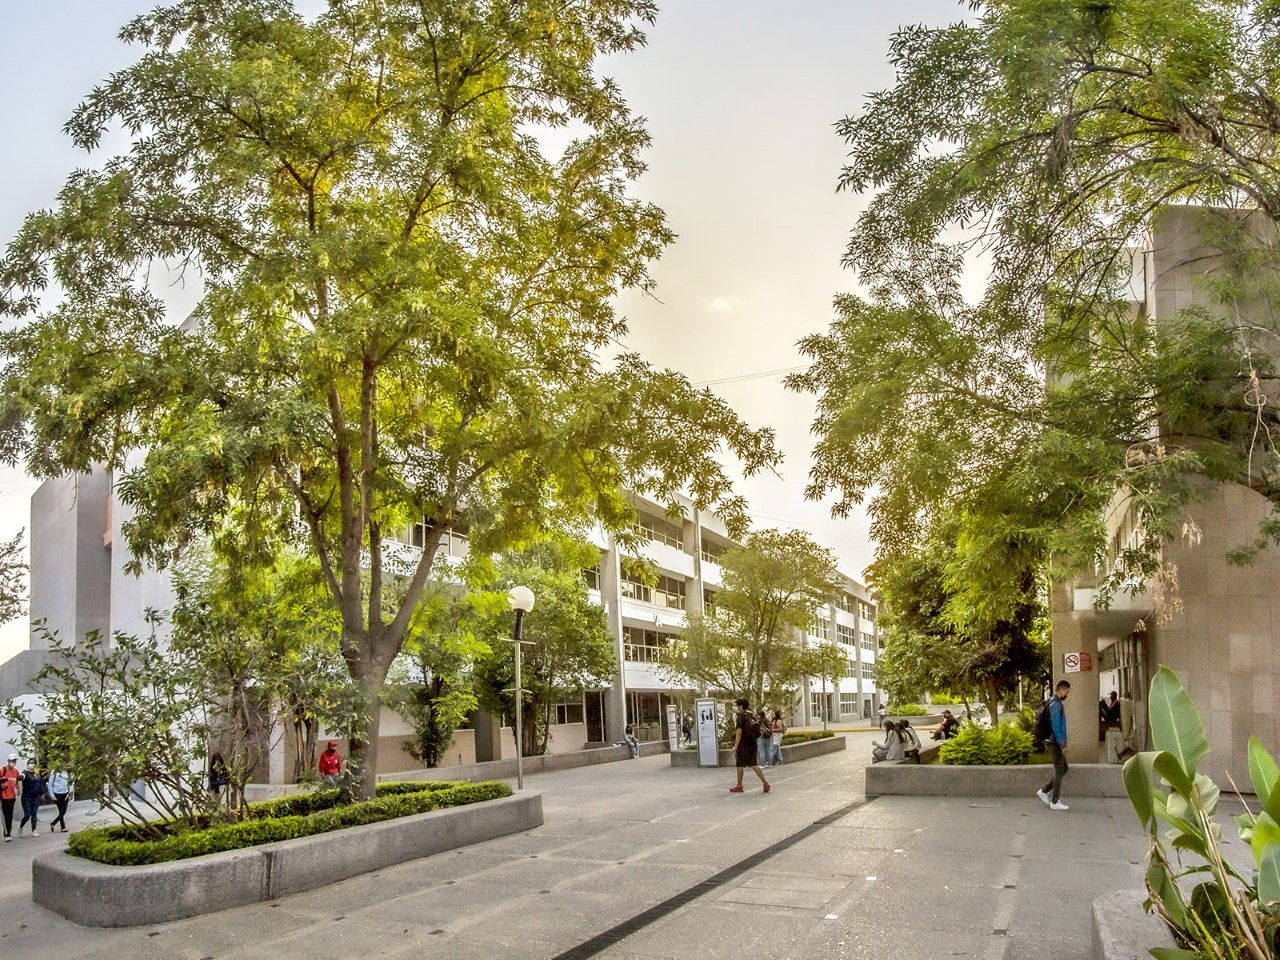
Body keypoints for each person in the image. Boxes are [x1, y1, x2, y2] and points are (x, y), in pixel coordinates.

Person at [1036, 680, 1072, 811]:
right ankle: (1055, 801)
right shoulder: (1055, 704)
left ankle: (1044, 791)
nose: (1067, 695)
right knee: (1059, 770)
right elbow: (1056, 726)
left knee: (1064, 768)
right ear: (1061, 690)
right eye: (1067, 692)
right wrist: (1062, 744)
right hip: (1054, 742)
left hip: (1053, 741)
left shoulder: (1053, 702)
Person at [729, 698, 770, 794]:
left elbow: (739, 732)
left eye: (737, 706)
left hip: (743, 744)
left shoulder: (741, 717)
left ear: (741, 706)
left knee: (740, 764)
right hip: (753, 743)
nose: (736, 708)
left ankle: (739, 786)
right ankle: (765, 783)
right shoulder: (751, 714)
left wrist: (735, 746)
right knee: (754, 764)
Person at [18, 760, 45, 837]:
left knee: (34, 814)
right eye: (29, 763)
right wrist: (18, 778)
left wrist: (42, 793)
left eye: (32, 763)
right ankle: (21, 827)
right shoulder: (25, 773)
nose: (31, 764)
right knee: (27, 814)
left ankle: (34, 830)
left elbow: (40, 784)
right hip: (26, 798)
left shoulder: (36, 774)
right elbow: (21, 777)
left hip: (35, 797)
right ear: (27, 764)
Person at [46, 767, 71, 833]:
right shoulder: (54, 771)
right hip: (57, 794)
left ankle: (53, 823)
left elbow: (69, 783)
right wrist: (52, 795)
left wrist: (69, 792)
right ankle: (63, 827)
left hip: (65, 793)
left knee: (63, 811)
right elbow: (50, 784)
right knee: (61, 810)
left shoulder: (66, 771)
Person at [0, 755, 19, 842]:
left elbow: (17, 782)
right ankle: (6, 834)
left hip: (12, 796)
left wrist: (18, 789)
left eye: (15, 761)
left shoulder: (16, 771)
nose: (13, 762)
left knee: (10, 816)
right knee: (5, 815)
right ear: (8, 761)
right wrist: (2, 785)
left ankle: (8, 832)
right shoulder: (2, 770)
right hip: (4, 796)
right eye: (12, 760)